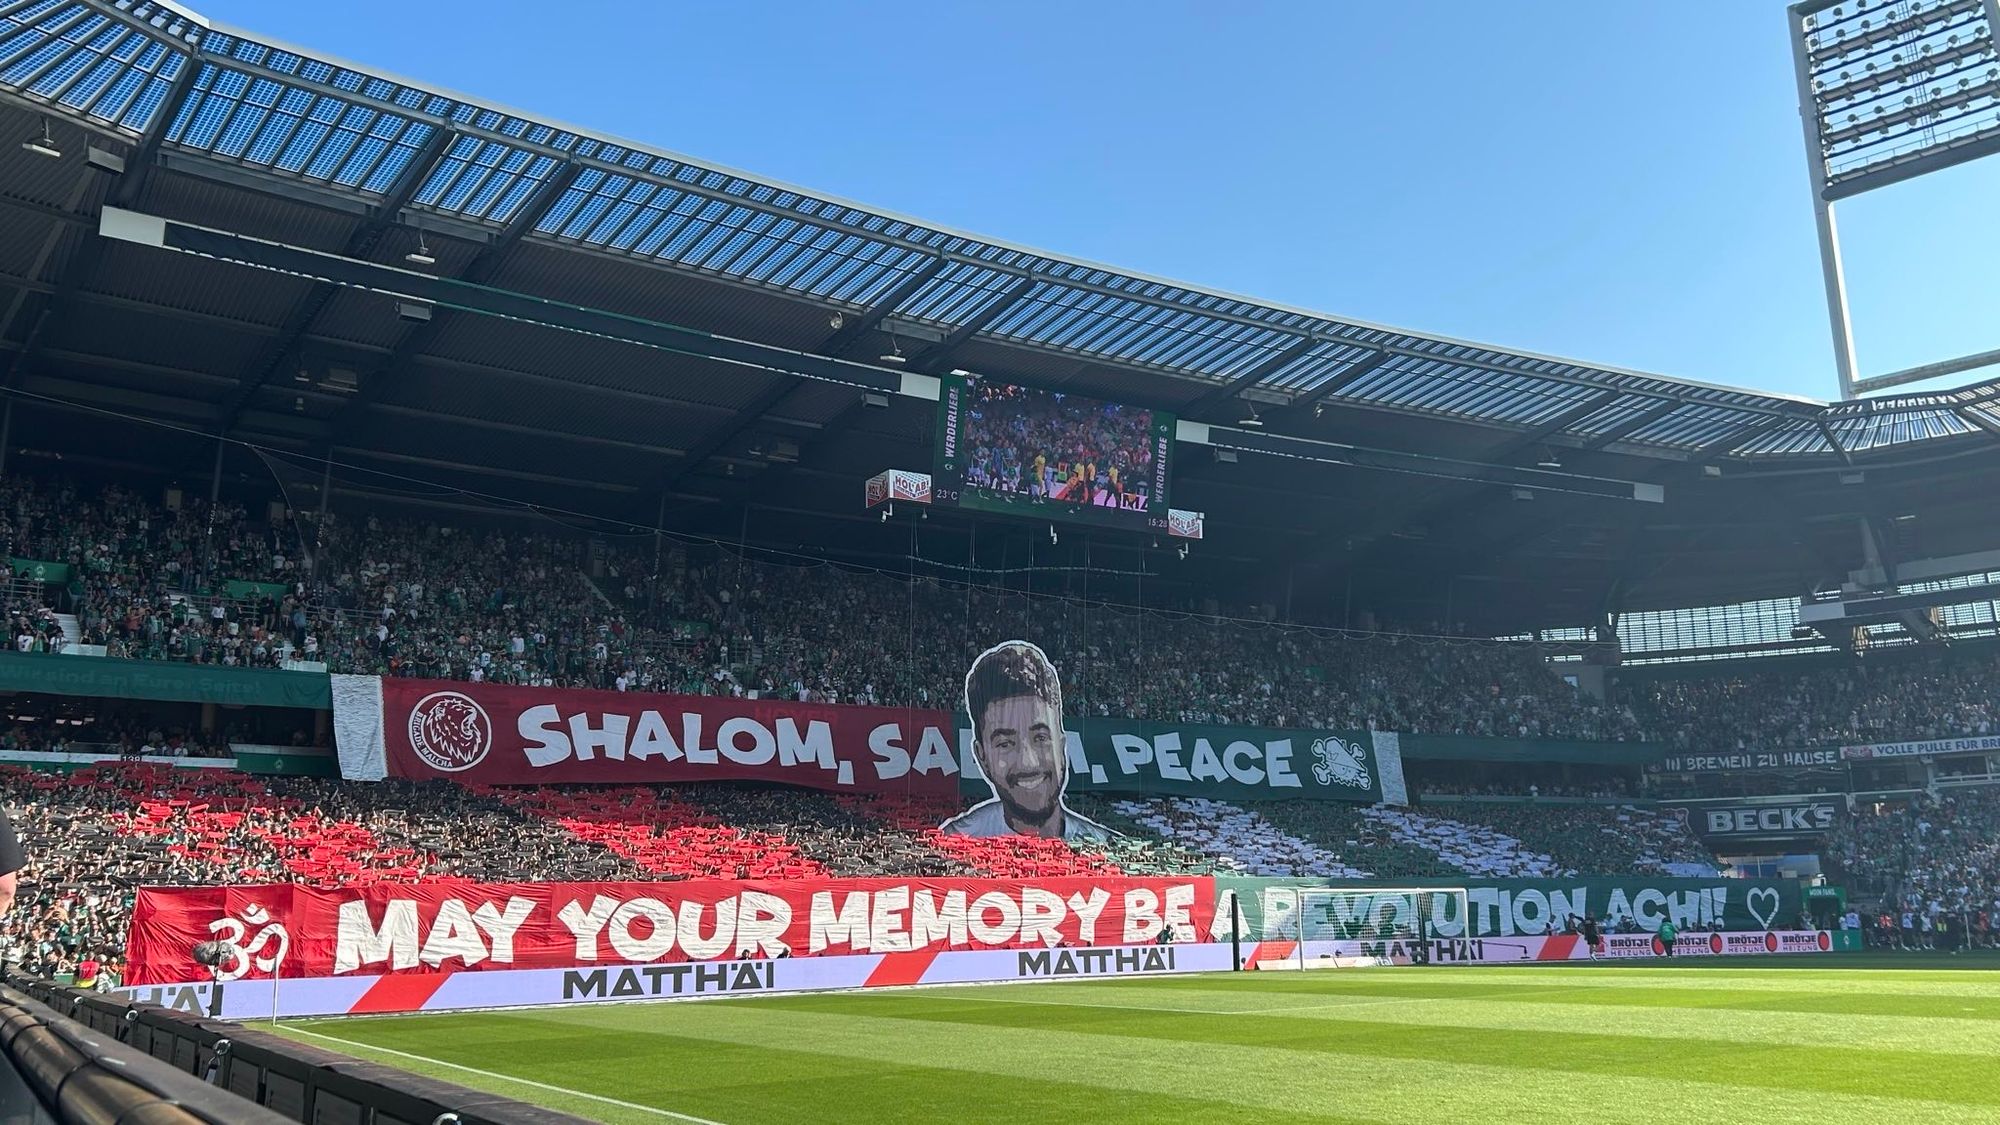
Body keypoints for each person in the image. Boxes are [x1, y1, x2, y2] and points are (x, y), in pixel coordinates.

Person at [939, 640, 1111, 841]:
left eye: (1040, 738)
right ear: (981, 757)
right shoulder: (951, 842)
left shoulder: (1106, 845)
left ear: (1062, 745)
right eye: (1005, 744)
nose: (1028, 763)